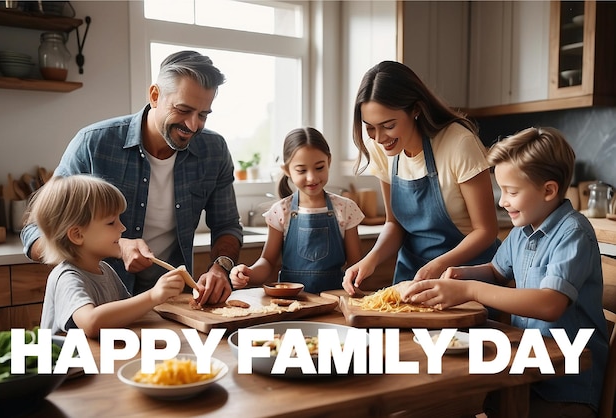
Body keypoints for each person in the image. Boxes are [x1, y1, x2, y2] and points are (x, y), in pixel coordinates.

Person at [400, 127, 608, 417]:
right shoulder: (522, 230)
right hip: (526, 371)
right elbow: (496, 272)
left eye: (512, 192)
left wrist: (470, 291)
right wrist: (459, 274)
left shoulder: (573, 233)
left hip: (566, 388)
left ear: (549, 190)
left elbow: (550, 304)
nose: (502, 201)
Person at [21, 50, 242, 305]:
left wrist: (220, 267)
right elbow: (34, 230)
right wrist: (115, 246)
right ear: (155, 95)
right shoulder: (94, 143)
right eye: (183, 110)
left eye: (203, 115)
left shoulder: (213, 151)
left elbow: (227, 226)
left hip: (172, 303)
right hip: (101, 305)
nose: (193, 125)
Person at [343, 60, 499, 295]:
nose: (379, 137)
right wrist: (370, 260)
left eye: (388, 125)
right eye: (369, 127)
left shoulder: (458, 143)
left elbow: (485, 230)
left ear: (415, 109)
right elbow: (394, 224)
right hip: (412, 276)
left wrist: (438, 265)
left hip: (465, 279)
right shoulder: (380, 148)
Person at [29, 175, 186, 338]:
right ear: (77, 234)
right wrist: (153, 296)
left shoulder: (105, 270)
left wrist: (162, 297)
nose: (122, 228)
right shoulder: (67, 278)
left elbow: (125, 314)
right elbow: (91, 323)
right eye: (111, 222)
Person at [229, 127, 364, 294]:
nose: (312, 177)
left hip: (334, 301)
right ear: (287, 170)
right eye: (301, 170)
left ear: (329, 161)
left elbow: (356, 264)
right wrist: (249, 273)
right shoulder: (280, 211)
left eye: (319, 167)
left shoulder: (345, 208)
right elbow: (268, 261)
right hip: (293, 302)